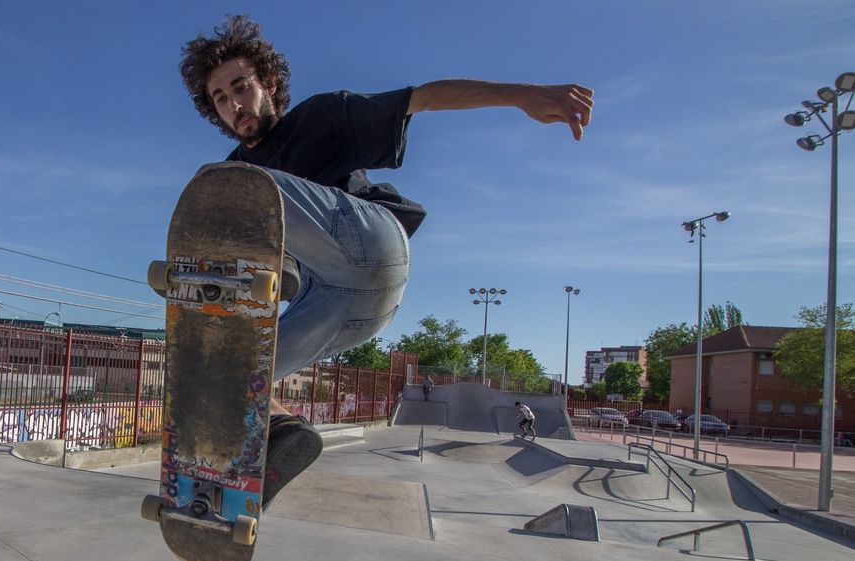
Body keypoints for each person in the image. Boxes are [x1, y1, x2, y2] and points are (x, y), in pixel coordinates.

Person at [178, 16, 592, 504]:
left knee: (229, 184)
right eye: (222, 99)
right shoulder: (240, 173)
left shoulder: (321, 117)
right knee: (226, 371)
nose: (235, 105)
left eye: (241, 87)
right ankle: (281, 436)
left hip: (374, 248)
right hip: (348, 311)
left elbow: (423, 97)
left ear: (267, 84)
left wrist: (522, 94)